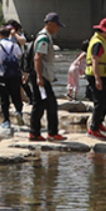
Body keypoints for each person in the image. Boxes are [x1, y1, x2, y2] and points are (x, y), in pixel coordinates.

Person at [29, 12, 65, 142]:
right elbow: (38, 57)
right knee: (45, 105)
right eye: (57, 25)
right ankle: (39, 133)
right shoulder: (44, 38)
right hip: (41, 76)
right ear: (50, 24)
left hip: (41, 75)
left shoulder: (44, 36)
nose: (58, 28)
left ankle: (46, 133)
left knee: (46, 105)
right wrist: (39, 77)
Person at [84, 17, 106, 139]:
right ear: (102, 31)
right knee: (100, 102)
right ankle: (93, 128)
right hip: (95, 75)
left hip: (99, 75)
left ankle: (98, 122)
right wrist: (97, 79)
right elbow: (95, 61)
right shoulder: (98, 42)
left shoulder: (100, 40)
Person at [0, 23, 25, 127]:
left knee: (4, 99)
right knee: (16, 96)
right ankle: (18, 111)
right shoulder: (14, 45)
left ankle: (6, 121)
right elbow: (20, 57)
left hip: (2, 75)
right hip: (15, 74)